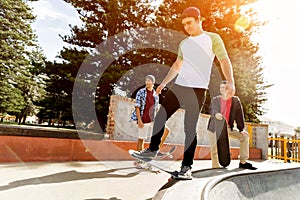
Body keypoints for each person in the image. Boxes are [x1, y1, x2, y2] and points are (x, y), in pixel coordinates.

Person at [135, 6, 236, 179]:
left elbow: (224, 61)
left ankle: (186, 167)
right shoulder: (184, 43)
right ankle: (152, 150)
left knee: (189, 129)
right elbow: (177, 65)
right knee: (160, 116)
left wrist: (231, 81)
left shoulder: (212, 39)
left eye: (190, 23)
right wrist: (164, 83)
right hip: (179, 86)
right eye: (184, 25)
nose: (187, 27)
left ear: (199, 20)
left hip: (197, 90)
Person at [207, 81, 257, 170]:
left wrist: (241, 129)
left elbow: (239, 115)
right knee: (215, 149)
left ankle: (243, 162)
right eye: (221, 87)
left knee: (245, 138)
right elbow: (211, 109)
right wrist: (215, 114)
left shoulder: (235, 101)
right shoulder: (215, 100)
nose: (222, 90)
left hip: (228, 128)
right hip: (214, 128)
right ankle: (216, 167)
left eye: (224, 87)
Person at [130, 75, 159, 151]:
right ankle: (140, 159)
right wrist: (139, 120)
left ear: (153, 82)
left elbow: (156, 109)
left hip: (152, 120)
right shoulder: (141, 92)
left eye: (149, 80)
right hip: (143, 119)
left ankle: (155, 152)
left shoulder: (155, 95)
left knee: (164, 131)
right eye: (146, 80)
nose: (146, 82)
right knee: (141, 139)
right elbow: (137, 106)